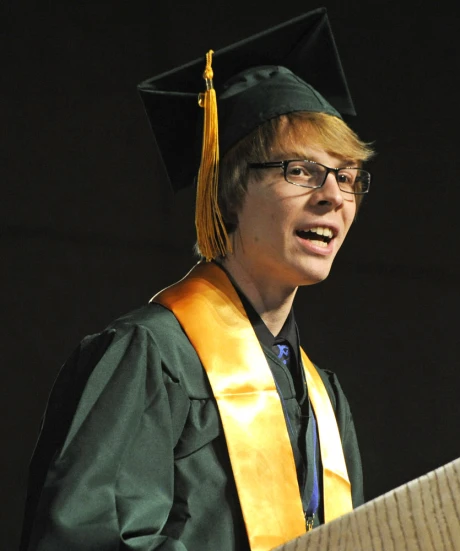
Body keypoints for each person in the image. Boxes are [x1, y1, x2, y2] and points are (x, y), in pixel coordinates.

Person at [19, 8, 373, 551]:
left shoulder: (324, 400)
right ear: (230, 194)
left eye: (347, 177)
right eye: (300, 171)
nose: (333, 195)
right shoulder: (149, 357)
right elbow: (86, 537)